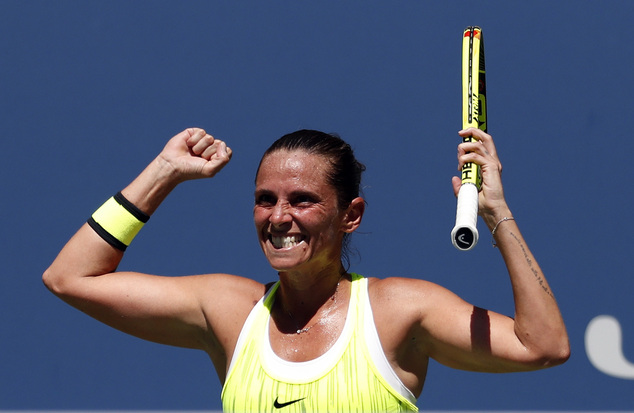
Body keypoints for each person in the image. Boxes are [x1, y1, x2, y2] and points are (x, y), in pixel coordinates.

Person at [43, 127, 569, 412]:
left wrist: (497, 213)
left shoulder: (398, 310)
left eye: (301, 200)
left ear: (351, 216)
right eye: (264, 199)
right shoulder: (229, 311)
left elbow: (541, 346)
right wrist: (163, 172)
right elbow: (71, 277)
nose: (278, 217)